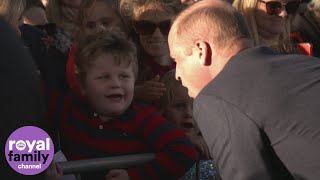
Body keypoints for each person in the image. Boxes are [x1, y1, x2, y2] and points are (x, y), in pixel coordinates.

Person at [168, 0, 320, 179]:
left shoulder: (216, 96)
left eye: (177, 60)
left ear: (201, 50)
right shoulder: (307, 65)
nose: (177, 74)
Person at [47, 30, 198, 180]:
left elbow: (184, 152)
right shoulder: (67, 108)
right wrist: (43, 170)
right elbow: (29, 126)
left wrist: (134, 176)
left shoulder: (142, 118)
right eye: (104, 77)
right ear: (82, 85)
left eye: (124, 76)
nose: (115, 84)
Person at [157, 70, 220, 180]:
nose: (189, 114)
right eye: (179, 106)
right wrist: (183, 141)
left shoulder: (214, 141)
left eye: (196, 105)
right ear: (162, 111)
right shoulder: (153, 137)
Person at [120, 0, 185, 103]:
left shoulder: (190, 62)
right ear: (134, 27)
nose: (156, 35)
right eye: (145, 26)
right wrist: (137, 92)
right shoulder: (124, 62)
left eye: (166, 26)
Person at [232, 0, 301, 53]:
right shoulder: (233, 52)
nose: (284, 14)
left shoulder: (299, 46)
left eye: (290, 6)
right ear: (249, 5)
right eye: (274, 6)